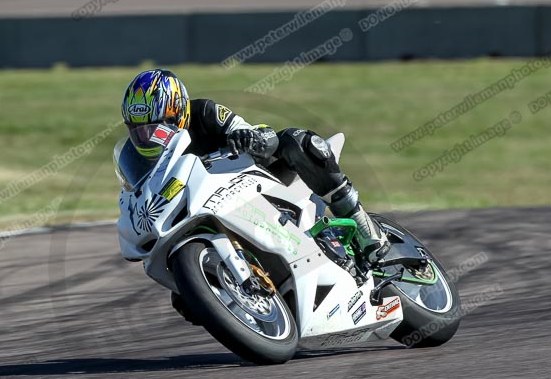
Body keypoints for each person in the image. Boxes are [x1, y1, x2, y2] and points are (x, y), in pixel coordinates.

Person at [119, 68, 390, 264]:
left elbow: (257, 133)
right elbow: (140, 192)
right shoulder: (138, 155)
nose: (147, 137)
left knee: (297, 142)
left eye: (156, 128)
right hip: (204, 209)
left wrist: (249, 138)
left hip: (254, 181)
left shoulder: (204, 113)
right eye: (138, 130)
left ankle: (362, 224)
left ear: (179, 111)